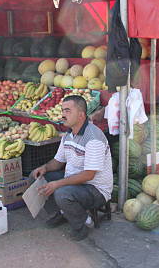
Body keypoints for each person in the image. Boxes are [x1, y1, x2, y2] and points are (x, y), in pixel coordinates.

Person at [30, 95, 113, 241]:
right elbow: (58, 161)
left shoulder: (93, 138)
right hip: (76, 182)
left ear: (81, 115)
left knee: (61, 192)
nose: (63, 114)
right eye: (63, 110)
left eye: (67, 111)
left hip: (95, 189)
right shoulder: (68, 134)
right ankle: (62, 212)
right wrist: (44, 168)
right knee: (38, 177)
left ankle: (82, 225)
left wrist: (57, 184)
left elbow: (88, 175)